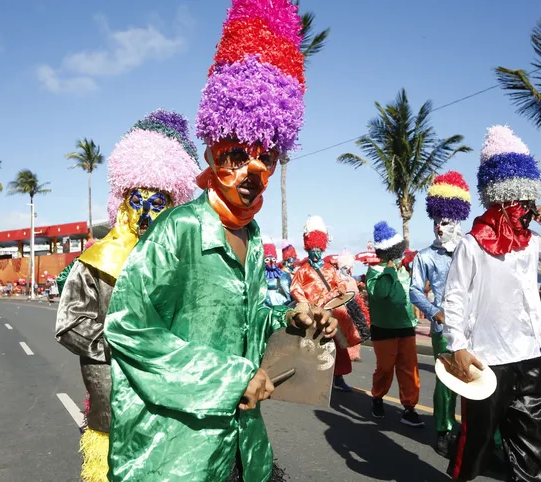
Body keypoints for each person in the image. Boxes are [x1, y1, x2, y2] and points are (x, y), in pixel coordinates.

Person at [103, 3, 336, 480]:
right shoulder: (178, 230)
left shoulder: (250, 235)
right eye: (236, 156)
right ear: (212, 152)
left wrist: (291, 319)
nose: (251, 174)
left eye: (266, 159)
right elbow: (127, 328)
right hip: (176, 453)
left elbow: (241, 324)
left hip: (239, 446)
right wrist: (231, 379)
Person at [55, 110, 201, 482]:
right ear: (123, 203)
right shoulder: (95, 262)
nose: (146, 213)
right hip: (113, 396)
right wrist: (123, 345)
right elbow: (70, 323)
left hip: (170, 400)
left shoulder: (186, 263)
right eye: (138, 201)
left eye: (158, 203)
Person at [442, 125, 541, 481]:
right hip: (488, 358)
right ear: (502, 200)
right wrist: (459, 345)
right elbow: (455, 295)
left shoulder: (530, 243)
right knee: (478, 438)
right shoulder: (472, 243)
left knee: (532, 439)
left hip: (528, 355)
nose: (527, 209)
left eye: (530, 202)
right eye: (522, 203)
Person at [410, 171, 472, 455]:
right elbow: (414, 292)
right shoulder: (424, 256)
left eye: (444, 222)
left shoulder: (471, 250)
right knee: (447, 380)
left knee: (476, 380)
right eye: (435, 221)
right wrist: (436, 313)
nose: (439, 227)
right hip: (443, 330)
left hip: (474, 328)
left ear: (457, 220)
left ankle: (480, 432)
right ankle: (444, 429)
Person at [290, 215, 363, 393]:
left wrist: (340, 290)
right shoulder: (302, 271)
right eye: (312, 248)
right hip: (313, 314)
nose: (316, 252)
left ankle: (338, 377)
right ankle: (311, 377)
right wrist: (307, 305)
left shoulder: (330, 269)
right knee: (313, 347)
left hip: (332, 314)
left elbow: (340, 284)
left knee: (340, 347)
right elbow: (295, 289)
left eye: (318, 248)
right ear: (308, 247)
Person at [366, 221, 424, 427]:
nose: (401, 256)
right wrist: (389, 270)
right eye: (397, 253)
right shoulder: (375, 272)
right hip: (384, 329)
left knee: (409, 369)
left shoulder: (405, 271)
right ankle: (377, 397)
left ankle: (409, 408)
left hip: (406, 327)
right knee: (385, 368)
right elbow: (381, 293)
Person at [337, 249, 371, 362]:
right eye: (345, 268)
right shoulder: (336, 279)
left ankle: (355, 353)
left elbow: (355, 293)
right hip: (341, 308)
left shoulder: (351, 280)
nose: (348, 270)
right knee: (344, 331)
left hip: (353, 306)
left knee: (355, 330)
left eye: (349, 268)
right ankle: (346, 352)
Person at [262, 236, 292, 307]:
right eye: (267, 259)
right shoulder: (258, 276)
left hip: (281, 307)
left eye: (273, 259)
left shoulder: (284, 275)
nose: (271, 262)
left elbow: (289, 294)